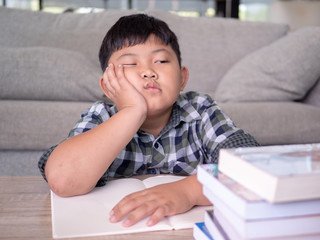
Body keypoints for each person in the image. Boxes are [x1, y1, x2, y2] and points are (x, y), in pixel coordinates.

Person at [38, 13, 259, 228]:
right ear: (108, 85)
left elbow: (253, 166)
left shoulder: (200, 110)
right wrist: (132, 111)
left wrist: (188, 192)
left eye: (161, 60)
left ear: (182, 78)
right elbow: (62, 180)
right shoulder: (101, 115)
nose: (148, 71)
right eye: (131, 64)